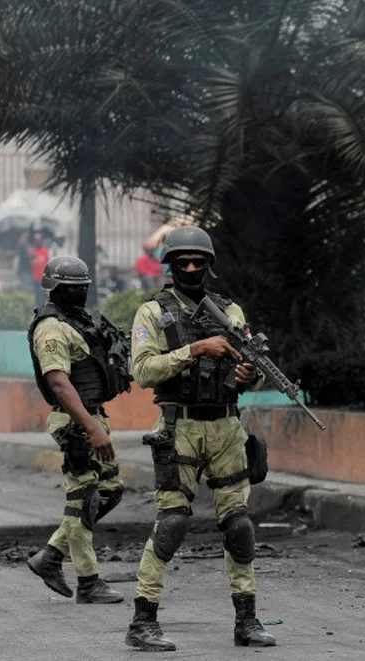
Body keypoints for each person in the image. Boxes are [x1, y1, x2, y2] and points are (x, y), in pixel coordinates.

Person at [124, 226, 276, 652]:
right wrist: (195, 350)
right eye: (182, 262)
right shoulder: (152, 313)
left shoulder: (232, 312)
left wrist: (249, 374)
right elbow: (143, 371)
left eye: (198, 262)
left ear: (209, 265)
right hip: (180, 426)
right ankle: (142, 620)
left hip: (227, 426)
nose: (191, 268)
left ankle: (246, 619)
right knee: (172, 522)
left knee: (239, 525)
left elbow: (249, 369)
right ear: (169, 267)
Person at [25, 255, 134, 605]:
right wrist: (91, 429)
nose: (80, 294)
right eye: (73, 289)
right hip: (75, 421)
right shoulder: (51, 328)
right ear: (55, 289)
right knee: (83, 495)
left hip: (92, 416)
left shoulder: (78, 321)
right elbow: (58, 383)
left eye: (83, 288)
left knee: (111, 491)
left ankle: (51, 556)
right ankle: (88, 581)